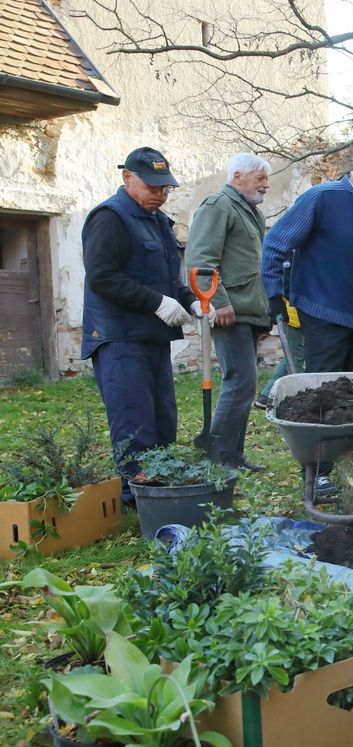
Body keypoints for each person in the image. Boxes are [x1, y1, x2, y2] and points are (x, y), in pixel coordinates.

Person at [260, 142, 353, 493]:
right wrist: (274, 295)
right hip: (321, 314)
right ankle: (320, 469)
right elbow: (276, 243)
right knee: (322, 397)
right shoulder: (322, 199)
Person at [81, 146, 203, 504]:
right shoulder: (110, 218)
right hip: (118, 339)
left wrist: (189, 299)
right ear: (127, 178)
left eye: (165, 188)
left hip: (151, 338)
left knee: (163, 420)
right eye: (153, 187)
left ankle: (161, 491)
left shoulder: (158, 222)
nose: (161, 194)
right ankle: (138, 500)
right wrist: (156, 303)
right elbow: (102, 277)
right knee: (134, 424)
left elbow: (167, 279)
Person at [184, 152, 272, 472]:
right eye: (260, 178)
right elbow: (201, 260)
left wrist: (262, 315)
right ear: (237, 177)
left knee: (245, 385)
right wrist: (218, 302)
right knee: (240, 382)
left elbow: (251, 267)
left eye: (266, 179)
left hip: (246, 311)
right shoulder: (218, 206)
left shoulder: (246, 211)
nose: (266, 185)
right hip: (228, 310)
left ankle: (232, 455)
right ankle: (217, 457)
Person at [254, 296, 304, 408]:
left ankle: (266, 396)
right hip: (293, 315)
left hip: (296, 313)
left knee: (292, 356)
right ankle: (301, 395)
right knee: (296, 358)